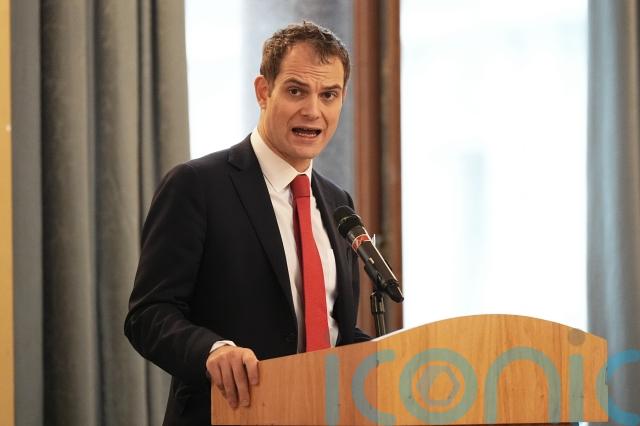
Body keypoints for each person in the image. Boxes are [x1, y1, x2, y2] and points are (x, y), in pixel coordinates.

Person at [124, 21, 370, 425]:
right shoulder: (197, 185)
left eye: (329, 94)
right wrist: (212, 351)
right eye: (296, 91)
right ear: (263, 91)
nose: (313, 110)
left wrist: (394, 358)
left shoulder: (338, 203)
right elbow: (148, 315)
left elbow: (332, 330)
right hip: (227, 413)